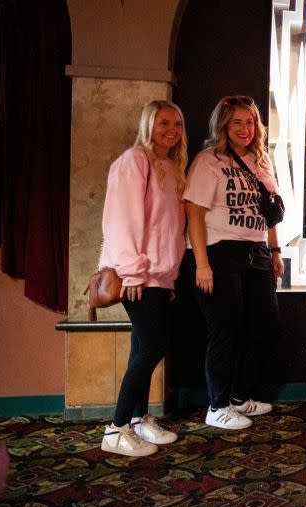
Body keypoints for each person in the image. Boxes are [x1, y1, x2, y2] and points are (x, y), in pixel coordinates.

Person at [184, 96, 284, 430]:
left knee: (265, 325)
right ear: (223, 124)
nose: (244, 129)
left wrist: (275, 250)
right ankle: (217, 405)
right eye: (237, 122)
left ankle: (240, 397)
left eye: (250, 122)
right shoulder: (208, 160)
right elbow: (194, 212)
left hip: (257, 251)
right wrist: (201, 263)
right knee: (224, 330)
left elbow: (269, 212)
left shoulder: (261, 160)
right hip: (218, 250)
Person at [98, 100, 188, 457]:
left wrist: (168, 275)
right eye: (164, 122)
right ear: (149, 124)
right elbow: (122, 219)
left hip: (158, 278)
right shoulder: (135, 160)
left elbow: (167, 228)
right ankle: (115, 428)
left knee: (143, 347)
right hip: (137, 276)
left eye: (178, 124)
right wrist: (132, 271)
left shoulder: (169, 166)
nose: (172, 130)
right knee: (151, 347)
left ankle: (138, 419)